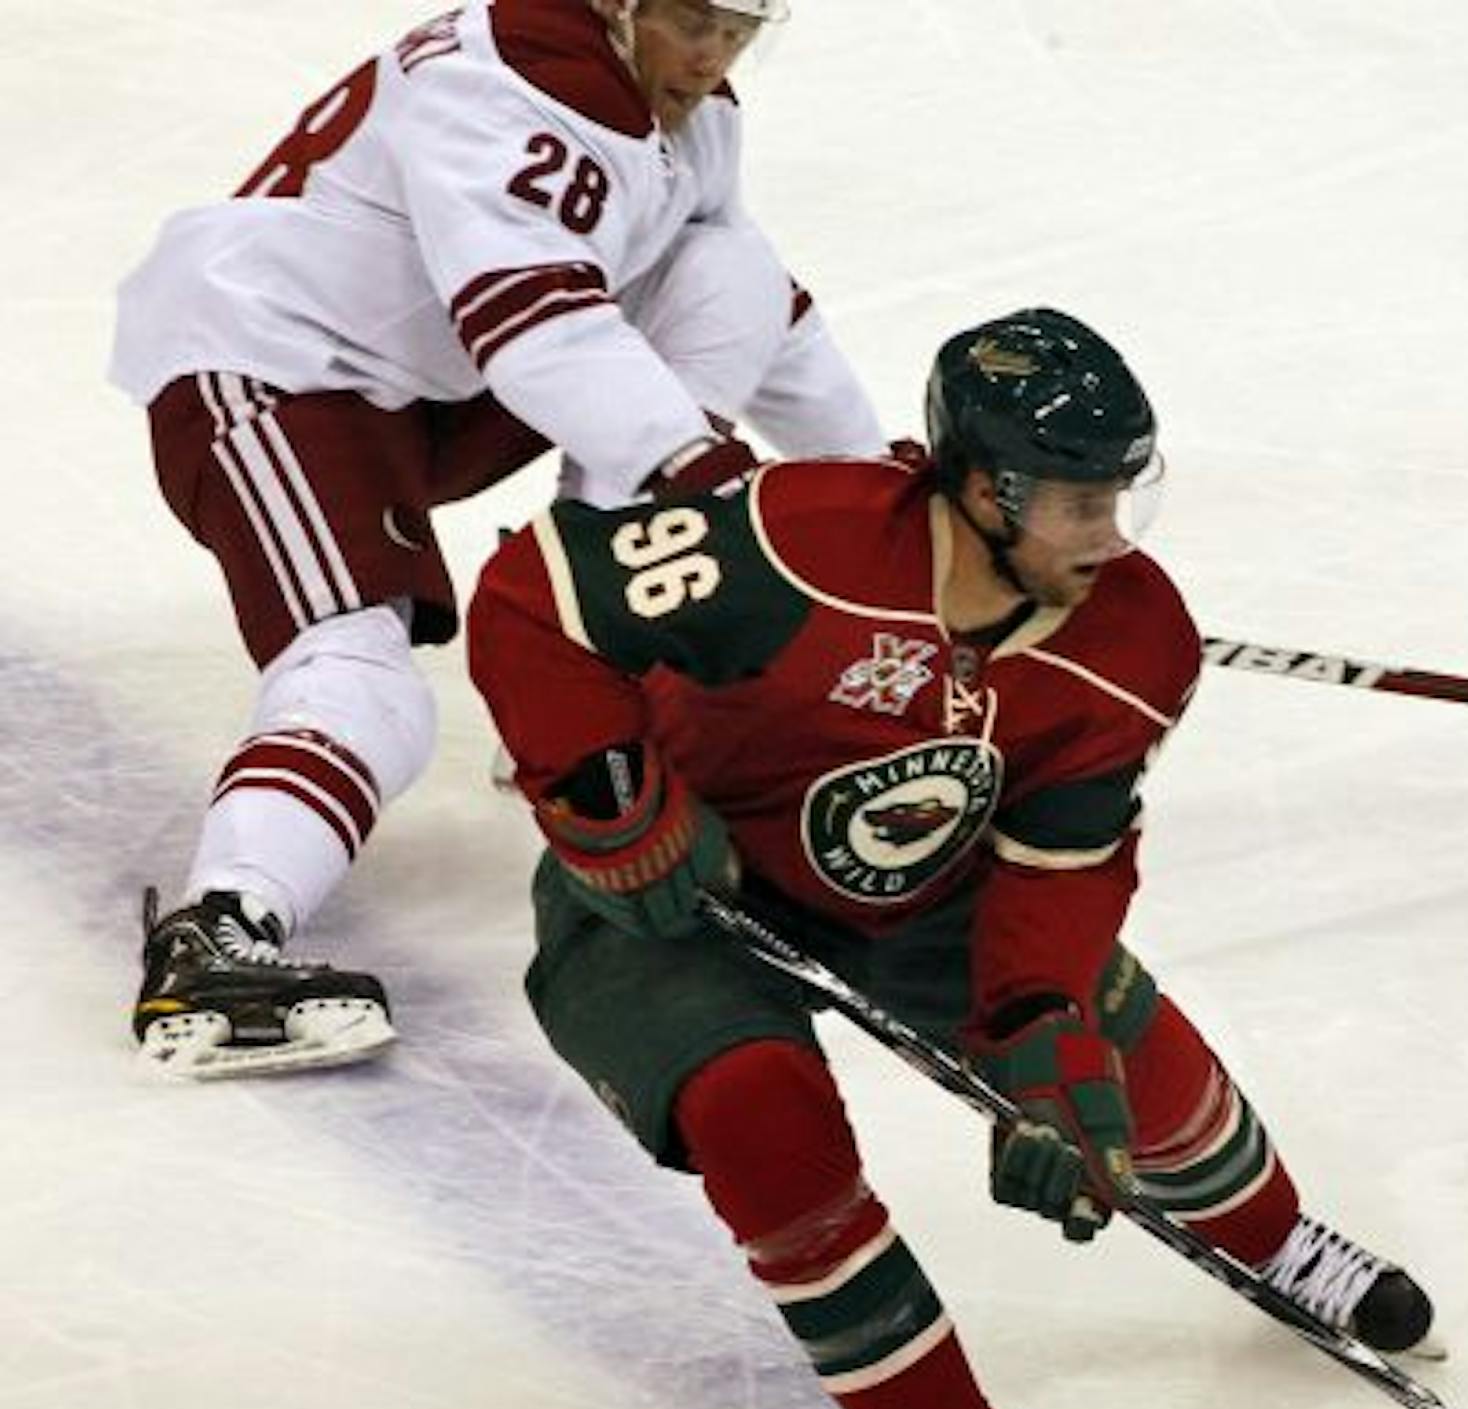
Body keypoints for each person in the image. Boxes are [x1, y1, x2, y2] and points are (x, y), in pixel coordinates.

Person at [465, 305, 1439, 1409]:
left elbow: (1061, 868)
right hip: (684, 897)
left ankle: (1270, 1237)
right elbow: (537, 595)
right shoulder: (790, 541)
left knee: (1119, 1043)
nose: (1107, 533)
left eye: (1122, 494)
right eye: (1075, 499)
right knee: (760, 1117)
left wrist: (1049, 1048)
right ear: (981, 487)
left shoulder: (1136, 641)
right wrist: (613, 798)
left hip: (929, 886)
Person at [109, 0, 886, 1080]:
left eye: (739, 29)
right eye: (690, 20)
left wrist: (890, 501)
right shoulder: (512, 85)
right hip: (273, 362)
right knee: (360, 680)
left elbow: (762, 309)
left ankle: (596, 688)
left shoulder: (683, 115)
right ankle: (214, 941)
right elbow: (536, 331)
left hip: (421, 380)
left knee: (729, 271)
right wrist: (719, 492)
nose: (711, 55)